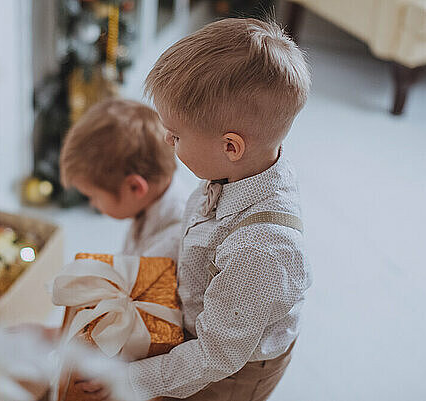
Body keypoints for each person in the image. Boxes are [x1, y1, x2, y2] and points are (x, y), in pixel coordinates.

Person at [78, 18, 313, 401]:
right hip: (213, 320)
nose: (166, 140)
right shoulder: (237, 170)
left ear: (231, 147)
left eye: (176, 135)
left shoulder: (262, 253)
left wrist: (129, 381)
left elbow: (214, 356)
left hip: (232, 370)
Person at [60, 98, 188, 261]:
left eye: (94, 197)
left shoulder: (170, 247)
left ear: (135, 187)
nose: (93, 204)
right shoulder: (153, 196)